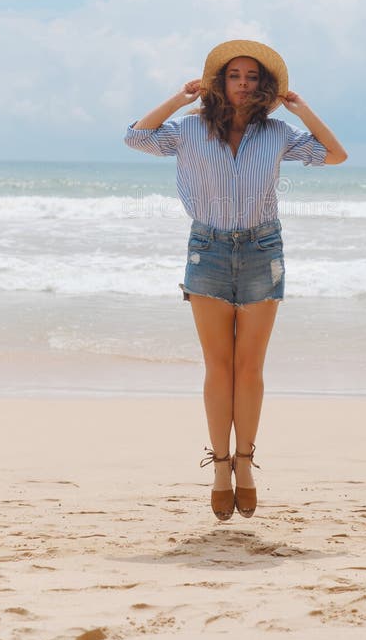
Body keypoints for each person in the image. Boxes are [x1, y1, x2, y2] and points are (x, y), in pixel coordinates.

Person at [124, 39, 347, 521]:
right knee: (217, 367)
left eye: (252, 77)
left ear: (263, 85)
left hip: (264, 250)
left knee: (249, 369)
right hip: (207, 250)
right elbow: (136, 137)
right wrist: (180, 98)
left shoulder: (278, 134)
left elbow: (335, 155)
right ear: (219, 82)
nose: (243, 84)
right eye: (234, 75)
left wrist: (302, 108)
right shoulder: (187, 130)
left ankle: (245, 464)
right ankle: (220, 467)